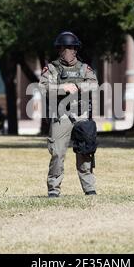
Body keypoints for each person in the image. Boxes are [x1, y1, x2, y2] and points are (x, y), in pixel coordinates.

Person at [38, 31, 98, 198]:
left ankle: (90, 189)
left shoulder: (84, 68)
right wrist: (62, 88)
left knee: (85, 152)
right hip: (60, 117)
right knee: (57, 154)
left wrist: (78, 87)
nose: (68, 51)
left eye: (71, 47)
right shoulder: (51, 68)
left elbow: (94, 85)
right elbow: (42, 88)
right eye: (65, 47)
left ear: (76, 49)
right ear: (59, 49)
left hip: (81, 116)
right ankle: (53, 190)